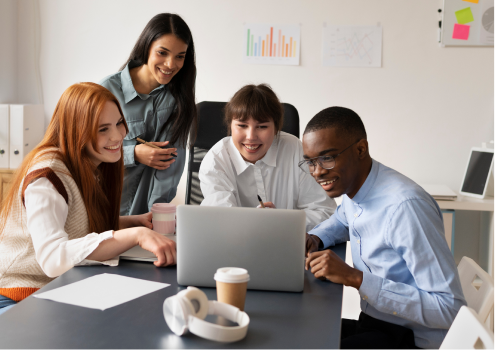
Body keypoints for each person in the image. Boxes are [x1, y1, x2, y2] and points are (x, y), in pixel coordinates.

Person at [0, 83, 176, 338]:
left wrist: (130, 222)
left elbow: (73, 222)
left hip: (34, 297)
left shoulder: (82, 164)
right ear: (77, 130)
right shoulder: (47, 178)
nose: (117, 136)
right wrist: (135, 235)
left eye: (119, 123)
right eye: (103, 129)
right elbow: (53, 258)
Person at [301, 107, 465, 350]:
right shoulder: (355, 187)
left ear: (360, 149)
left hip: (412, 338)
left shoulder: (406, 208)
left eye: (327, 158)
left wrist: (354, 277)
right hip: (378, 322)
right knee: (300, 334)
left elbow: (450, 308)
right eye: (310, 161)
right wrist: (316, 237)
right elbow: (342, 220)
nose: (317, 171)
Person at [199, 84, 336, 231]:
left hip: (290, 246)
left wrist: (280, 221)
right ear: (230, 126)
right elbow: (222, 222)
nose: (251, 137)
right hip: (235, 248)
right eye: (242, 125)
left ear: (276, 128)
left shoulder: (296, 150)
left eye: (262, 127)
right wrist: (259, 223)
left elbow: (324, 212)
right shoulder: (215, 161)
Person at [100, 13, 197, 216]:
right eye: (163, 52)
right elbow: (85, 149)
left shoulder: (178, 99)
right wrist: (133, 153)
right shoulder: (108, 90)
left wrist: (156, 215)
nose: (171, 64)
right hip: (102, 207)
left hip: (147, 216)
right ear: (147, 47)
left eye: (180, 56)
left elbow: (170, 168)